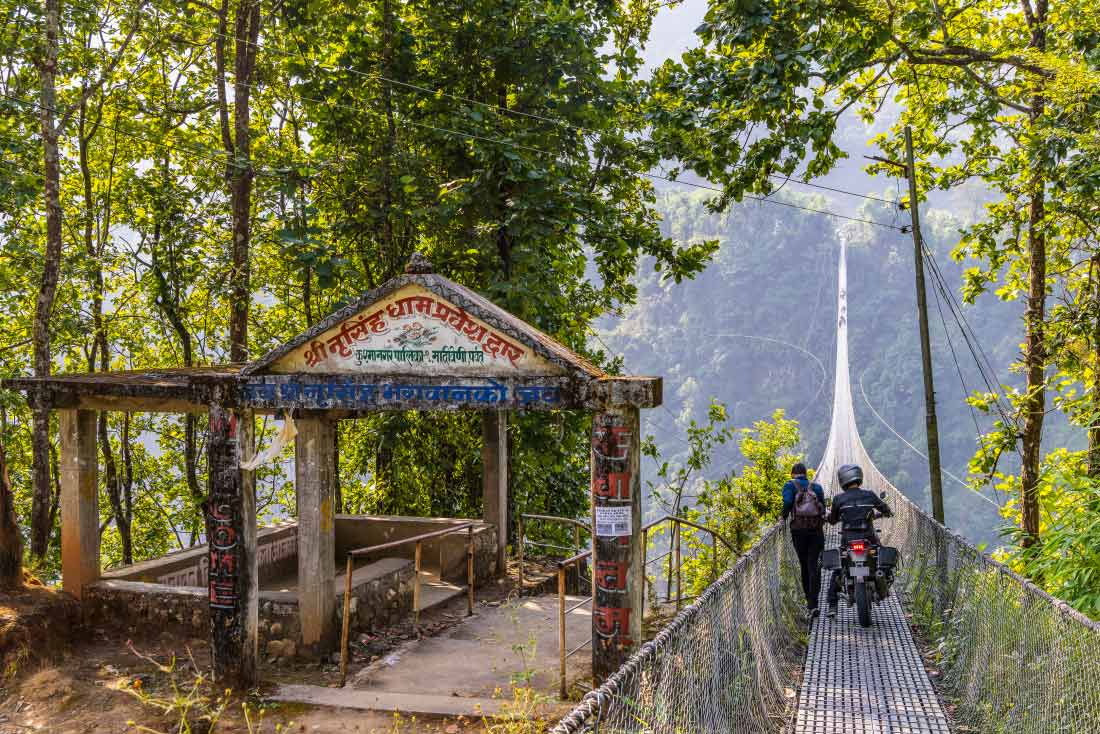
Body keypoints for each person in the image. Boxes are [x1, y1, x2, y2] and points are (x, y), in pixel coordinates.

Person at [825, 463, 892, 618]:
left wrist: (828, 517)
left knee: (837, 570)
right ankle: (885, 582)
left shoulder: (838, 499)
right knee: (882, 559)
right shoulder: (869, 495)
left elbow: (833, 520)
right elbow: (884, 508)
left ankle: (832, 605)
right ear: (858, 476)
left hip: (848, 542)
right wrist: (887, 512)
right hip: (868, 539)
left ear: (842, 480)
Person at [781, 462, 826, 618]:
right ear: (806, 474)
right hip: (816, 531)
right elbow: (823, 508)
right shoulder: (816, 487)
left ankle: (809, 602)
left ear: (792, 474)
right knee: (814, 565)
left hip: (798, 532)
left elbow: (788, 502)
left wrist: (783, 517)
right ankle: (814, 603)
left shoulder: (790, 485)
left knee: (804, 565)